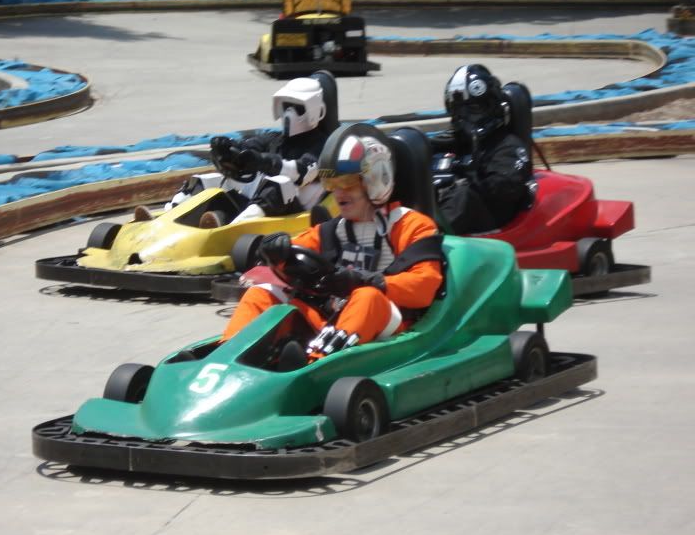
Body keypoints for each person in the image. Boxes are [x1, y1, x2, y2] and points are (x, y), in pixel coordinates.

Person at [221, 129, 444, 368]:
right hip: (333, 318)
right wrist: (274, 250)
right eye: (332, 184)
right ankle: (226, 359)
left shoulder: (412, 225)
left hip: (390, 324)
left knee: (366, 296)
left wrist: (367, 280)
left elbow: (424, 286)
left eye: (346, 183)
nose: (338, 194)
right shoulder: (331, 231)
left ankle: (315, 366)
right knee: (261, 293)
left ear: (375, 179)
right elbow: (295, 251)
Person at [157, 72, 337, 228]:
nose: (289, 113)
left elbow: (302, 172)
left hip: (294, 210)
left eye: (297, 108)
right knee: (205, 181)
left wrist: (263, 161)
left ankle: (230, 230)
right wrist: (228, 150)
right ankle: (166, 218)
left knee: (280, 185)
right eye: (286, 106)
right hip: (261, 205)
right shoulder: (275, 139)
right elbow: (250, 146)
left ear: (316, 111)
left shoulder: (323, 145)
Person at [435, 64, 532, 235]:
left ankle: (428, 238)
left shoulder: (509, 145)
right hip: (459, 212)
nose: (467, 118)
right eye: (459, 112)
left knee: (464, 195)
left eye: (474, 109)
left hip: (493, 216)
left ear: (492, 107)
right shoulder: (456, 142)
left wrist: (464, 174)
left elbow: (505, 187)